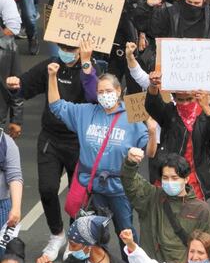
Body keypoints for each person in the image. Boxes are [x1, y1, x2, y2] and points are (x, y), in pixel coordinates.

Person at [6, 39, 97, 260]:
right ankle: (57, 234)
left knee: (80, 196)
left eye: (71, 49)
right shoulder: (50, 65)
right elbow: (24, 87)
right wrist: (14, 84)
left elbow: (95, 97)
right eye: (63, 48)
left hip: (80, 141)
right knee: (47, 189)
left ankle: (76, 239)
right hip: (51, 139)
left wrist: (86, 65)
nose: (66, 53)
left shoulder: (92, 69)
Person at [48, 68, 156, 237]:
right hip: (92, 187)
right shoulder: (85, 112)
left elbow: (150, 152)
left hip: (120, 188)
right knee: (91, 236)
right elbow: (56, 106)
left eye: (108, 91)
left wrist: (152, 132)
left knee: (126, 233)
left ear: (119, 91)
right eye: (100, 92)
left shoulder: (133, 116)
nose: (104, 95)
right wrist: (52, 76)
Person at [122, 148, 210, 263]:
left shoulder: (201, 210)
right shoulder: (151, 197)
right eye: (165, 178)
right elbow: (130, 182)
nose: (169, 182)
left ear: (186, 179)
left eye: (174, 178)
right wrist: (130, 163)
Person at [144, 81, 210, 199]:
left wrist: (208, 109)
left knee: (194, 214)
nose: (185, 103)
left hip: (196, 180)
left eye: (189, 99)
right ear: (174, 99)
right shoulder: (169, 113)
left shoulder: (206, 116)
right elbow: (152, 105)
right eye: (180, 100)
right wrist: (153, 85)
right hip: (171, 176)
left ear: (197, 97)